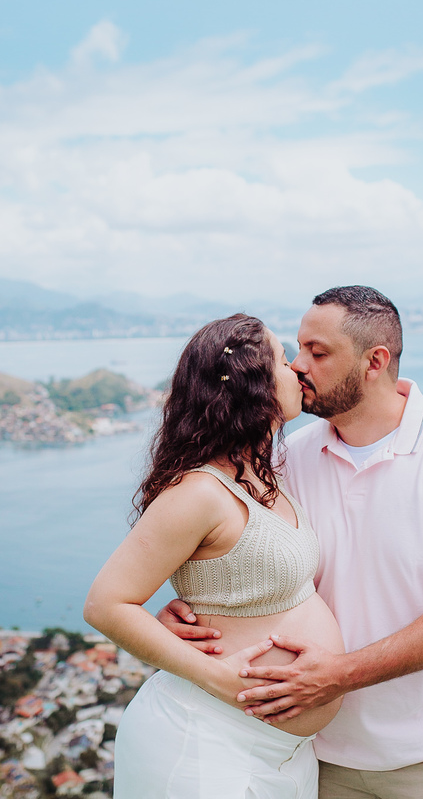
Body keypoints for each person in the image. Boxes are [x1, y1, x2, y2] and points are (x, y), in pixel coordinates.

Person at [161, 286, 423, 799]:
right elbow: (255, 568)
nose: (297, 366)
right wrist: (194, 612)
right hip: (314, 756)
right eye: (299, 348)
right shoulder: (288, 459)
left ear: (375, 361)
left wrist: (337, 675)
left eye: (318, 352)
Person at [84, 313, 345, 799]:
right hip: (205, 738)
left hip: (280, 753)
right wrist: (221, 679)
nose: (298, 370)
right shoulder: (201, 491)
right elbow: (105, 604)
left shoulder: (264, 476)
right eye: (284, 360)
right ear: (256, 385)